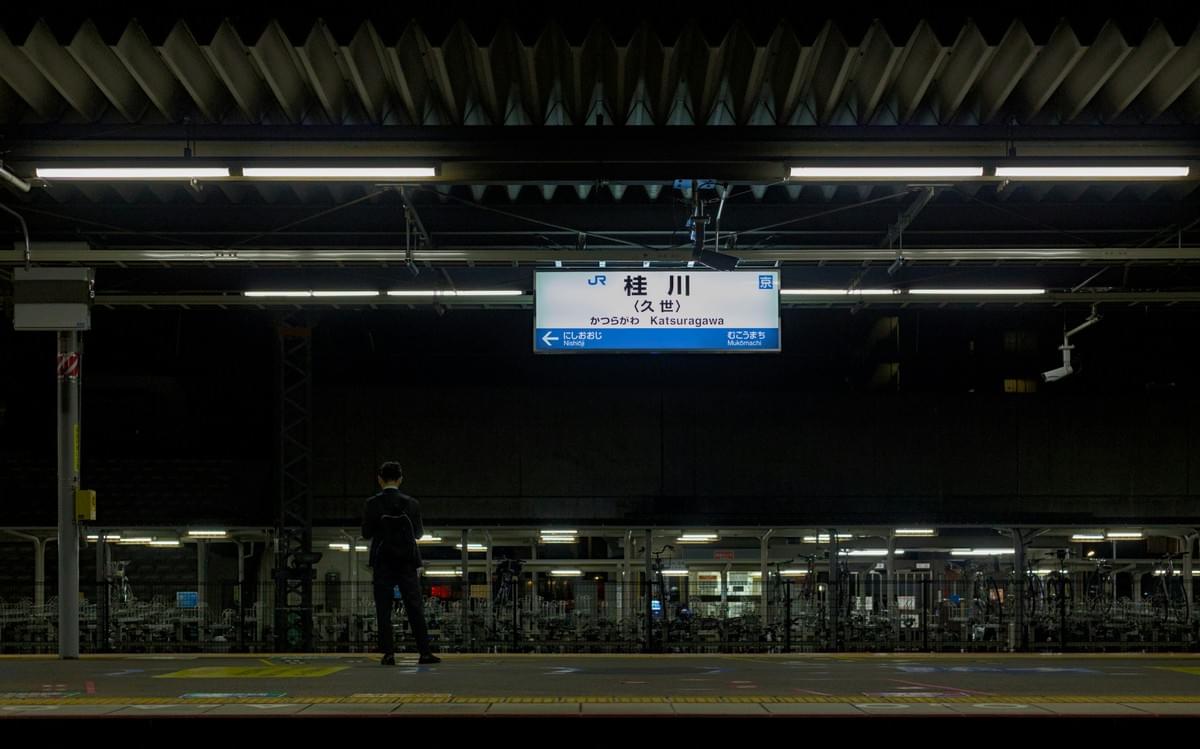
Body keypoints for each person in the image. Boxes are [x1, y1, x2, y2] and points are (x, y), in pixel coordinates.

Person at [362, 461, 441, 665]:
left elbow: (366, 533)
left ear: (380, 479)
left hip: (382, 562)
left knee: (383, 608)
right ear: (401, 479)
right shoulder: (412, 503)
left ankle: (388, 654)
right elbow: (419, 533)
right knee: (414, 606)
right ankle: (424, 652)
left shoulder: (372, 503)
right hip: (407, 562)